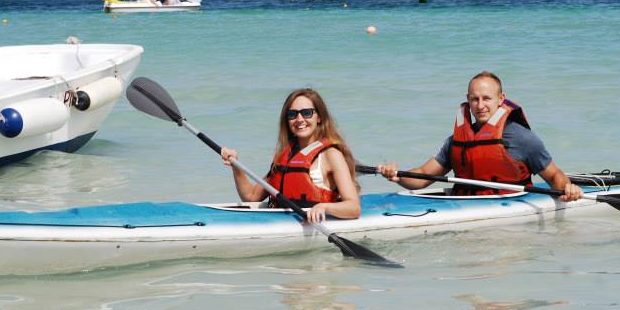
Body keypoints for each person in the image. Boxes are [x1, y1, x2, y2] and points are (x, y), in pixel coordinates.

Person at [379, 71, 584, 202]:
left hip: (512, 208)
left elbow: (554, 175)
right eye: (474, 99)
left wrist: (567, 190)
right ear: (468, 100)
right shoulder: (456, 141)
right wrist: (397, 175)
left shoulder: (521, 138)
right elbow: (423, 176)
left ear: (501, 99)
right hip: (464, 204)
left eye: (486, 98)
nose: (480, 105)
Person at [221, 89, 361, 224]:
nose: (299, 119)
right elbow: (251, 197)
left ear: (319, 117)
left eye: (307, 113)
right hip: (280, 220)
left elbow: (354, 208)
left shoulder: (331, 155)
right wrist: (235, 165)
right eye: (293, 114)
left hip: (316, 223)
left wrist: (323, 207)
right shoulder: (285, 156)